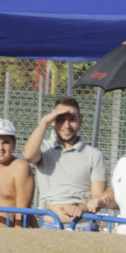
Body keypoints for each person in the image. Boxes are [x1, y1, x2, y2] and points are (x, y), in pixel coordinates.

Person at [21, 96, 107, 228]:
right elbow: (28, 155)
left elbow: (98, 199)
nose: (66, 125)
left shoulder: (94, 155)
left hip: (83, 226)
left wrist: (81, 209)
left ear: (80, 120)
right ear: (53, 121)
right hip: (50, 225)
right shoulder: (44, 149)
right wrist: (44, 122)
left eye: (72, 119)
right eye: (61, 119)